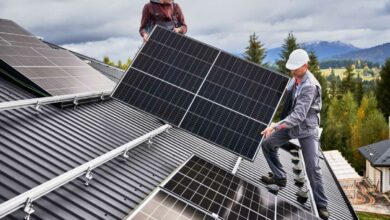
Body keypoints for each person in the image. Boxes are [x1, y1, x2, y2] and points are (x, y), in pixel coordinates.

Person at [260, 49, 330, 219]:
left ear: (305, 66)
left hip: (306, 129)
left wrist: (276, 126)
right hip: (291, 125)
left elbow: (299, 115)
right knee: (267, 143)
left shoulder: (310, 86)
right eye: (291, 69)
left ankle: (322, 205)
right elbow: (286, 94)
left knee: (313, 167)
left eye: (296, 69)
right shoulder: (295, 79)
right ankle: (279, 177)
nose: (292, 72)